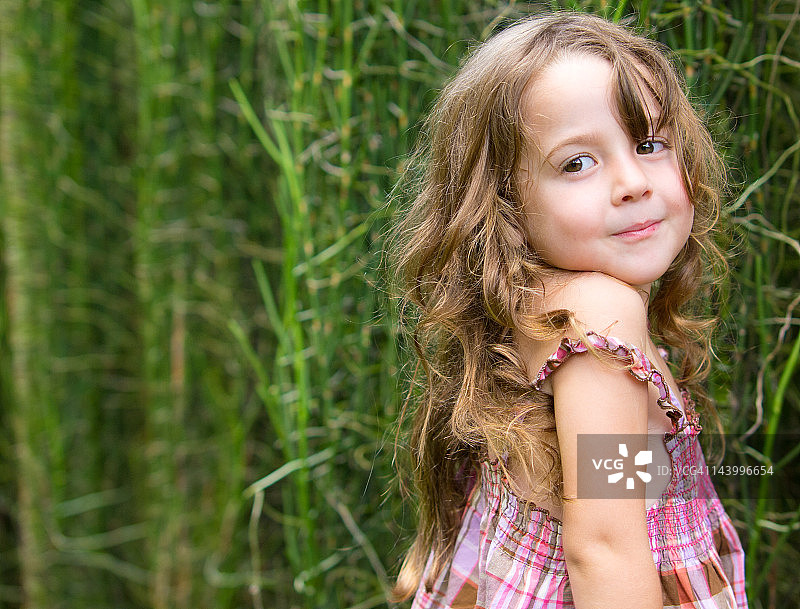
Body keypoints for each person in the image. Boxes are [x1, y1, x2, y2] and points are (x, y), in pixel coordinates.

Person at [388, 11, 748, 609]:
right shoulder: (600, 316)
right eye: (577, 162)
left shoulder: (529, 302)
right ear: (503, 202)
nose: (633, 182)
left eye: (651, 143)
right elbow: (604, 548)